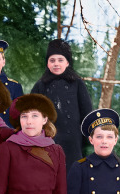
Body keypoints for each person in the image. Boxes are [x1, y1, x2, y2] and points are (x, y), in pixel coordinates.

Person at [31, 39, 93, 168]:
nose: (56, 64)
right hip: (48, 139)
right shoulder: (41, 85)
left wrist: (89, 139)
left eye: (60, 60)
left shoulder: (77, 83)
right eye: (52, 60)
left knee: (73, 174)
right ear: (47, 63)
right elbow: (31, 113)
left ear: (67, 62)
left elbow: (86, 111)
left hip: (74, 141)